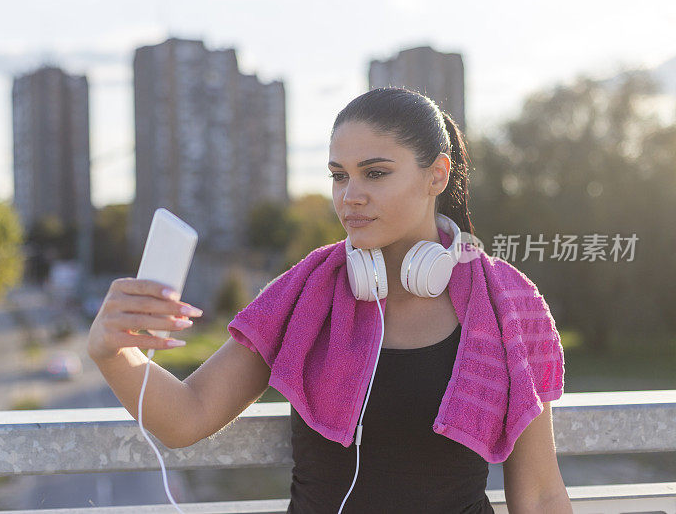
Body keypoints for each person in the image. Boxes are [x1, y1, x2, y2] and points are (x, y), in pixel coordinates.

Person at [87, 87, 571, 513]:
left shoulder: (508, 304)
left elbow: (541, 497)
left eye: (375, 173)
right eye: (339, 175)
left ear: (437, 175)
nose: (349, 196)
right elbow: (187, 417)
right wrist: (113, 351)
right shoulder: (305, 292)